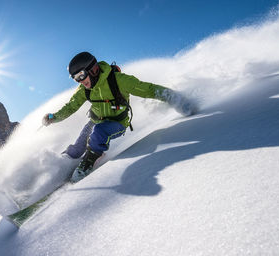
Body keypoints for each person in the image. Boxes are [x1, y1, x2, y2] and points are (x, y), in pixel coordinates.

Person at [42, 52, 197, 182]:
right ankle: (65, 164)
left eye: (81, 75)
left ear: (93, 69)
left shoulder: (118, 80)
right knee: (77, 147)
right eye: (76, 78)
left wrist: (176, 99)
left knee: (99, 133)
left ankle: (89, 161)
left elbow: (148, 89)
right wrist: (54, 117)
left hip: (117, 123)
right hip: (96, 120)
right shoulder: (84, 89)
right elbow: (71, 106)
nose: (81, 81)